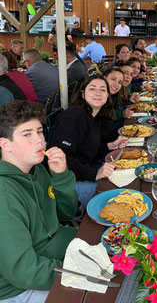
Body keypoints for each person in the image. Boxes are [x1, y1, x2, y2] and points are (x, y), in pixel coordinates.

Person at [0, 100, 77, 303]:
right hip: (18, 289)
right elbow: (24, 271)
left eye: (40, 131)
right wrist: (77, 274)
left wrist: (61, 176)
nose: (39, 141)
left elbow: (66, 213)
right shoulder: (4, 195)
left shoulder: (36, 168)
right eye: (27, 134)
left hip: (55, 251)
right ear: (4, 144)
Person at [47, 75, 128, 210]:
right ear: (83, 94)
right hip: (63, 185)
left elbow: (88, 151)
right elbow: (60, 158)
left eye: (102, 90)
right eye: (92, 89)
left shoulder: (92, 117)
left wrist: (110, 146)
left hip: (80, 173)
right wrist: (94, 174)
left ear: (107, 95)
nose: (98, 93)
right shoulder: (74, 116)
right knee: (119, 194)